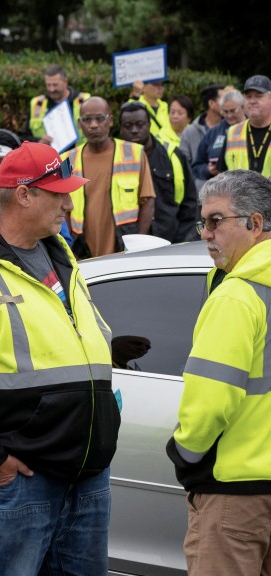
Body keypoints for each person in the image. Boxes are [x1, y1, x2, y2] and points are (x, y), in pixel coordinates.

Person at [0, 141, 119, 575]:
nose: (69, 204)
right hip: (18, 482)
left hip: (85, 475)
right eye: (59, 194)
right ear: (25, 194)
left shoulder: (61, 257)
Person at [167, 170, 271, 575]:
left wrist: (185, 456)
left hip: (234, 493)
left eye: (215, 221)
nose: (206, 233)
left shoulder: (238, 295)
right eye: (202, 222)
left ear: (255, 224)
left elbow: (210, 401)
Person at [63, 96, 155, 258]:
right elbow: (62, 208)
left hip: (125, 249)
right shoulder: (67, 160)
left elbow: (147, 201)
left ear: (110, 121)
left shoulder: (135, 153)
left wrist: (138, 245)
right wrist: (70, 248)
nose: (93, 125)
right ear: (79, 124)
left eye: (100, 118)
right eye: (87, 119)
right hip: (81, 251)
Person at [119, 101, 199, 242]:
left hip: (171, 240)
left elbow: (190, 203)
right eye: (128, 126)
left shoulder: (173, 155)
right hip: (129, 242)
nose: (134, 130)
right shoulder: (116, 160)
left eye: (140, 124)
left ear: (149, 125)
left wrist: (182, 241)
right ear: (120, 129)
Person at [25, 64, 91, 147]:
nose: (51, 89)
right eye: (48, 85)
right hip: (47, 157)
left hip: (78, 156)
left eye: (55, 85)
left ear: (65, 82)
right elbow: (25, 137)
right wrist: (39, 141)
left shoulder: (84, 101)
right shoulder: (37, 104)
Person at [219, 75, 271, 177]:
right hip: (239, 193)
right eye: (248, 97)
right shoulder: (232, 132)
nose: (252, 101)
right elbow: (221, 175)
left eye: (258, 96)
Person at [194, 89, 245, 186]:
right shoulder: (213, 133)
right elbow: (196, 166)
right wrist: (207, 169)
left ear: (243, 107)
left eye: (233, 111)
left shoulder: (254, 129)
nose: (229, 115)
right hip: (221, 191)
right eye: (225, 112)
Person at [179, 84, 226, 167]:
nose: (227, 102)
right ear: (211, 103)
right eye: (223, 99)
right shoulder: (190, 132)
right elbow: (184, 164)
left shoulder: (231, 128)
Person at [131, 79, 179, 145]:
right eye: (155, 84)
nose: (160, 88)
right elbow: (128, 111)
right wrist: (136, 95)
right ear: (144, 87)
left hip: (165, 150)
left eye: (162, 85)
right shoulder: (136, 105)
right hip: (146, 150)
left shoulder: (167, 107)